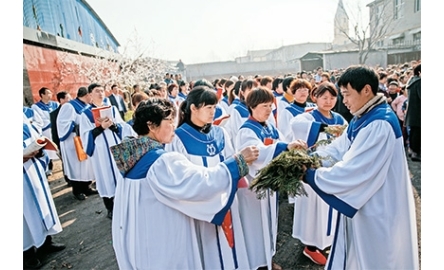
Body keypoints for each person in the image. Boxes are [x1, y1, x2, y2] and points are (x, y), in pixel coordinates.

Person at [110, 98, 259, 269]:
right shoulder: (160, 161)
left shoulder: (131, 154)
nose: (174, 126)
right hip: (162, 241)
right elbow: (201, 183)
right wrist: (237, 162)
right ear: (151, 125)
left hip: (137, 240)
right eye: (169, 122)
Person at [303, 65, 419, 269]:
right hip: (367, 202)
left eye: (346, 94)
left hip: (379, 207)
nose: (343, 101)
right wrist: (311, 157)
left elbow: (354, 171)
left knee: (378, 259)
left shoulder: (379, 123)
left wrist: (311, 174)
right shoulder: (364, 116)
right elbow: (340, 148)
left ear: (366, 90)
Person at [165, 86, 250, 270]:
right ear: (193, 108)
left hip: (227, 201)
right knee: (209, 251)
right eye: (208, 107)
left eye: (214, 106)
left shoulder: (220, 133)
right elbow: (179, 179)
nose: (214, 111)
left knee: (232, 248)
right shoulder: (178, 138)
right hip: (200, 208)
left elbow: (232, 163)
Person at [233, 87, 306, 270]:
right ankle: (257, 263)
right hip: (253, 190)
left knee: (271, 227)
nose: (269, 110)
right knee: (256, 230)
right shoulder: (247, 130)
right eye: (264, 106)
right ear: (252, 106)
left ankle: (268, 258)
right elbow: (258, 155)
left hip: (268, 189)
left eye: (271, 106)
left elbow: (280, 145)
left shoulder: (269, 127)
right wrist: (285, 147)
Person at [289, 82, 348, 266]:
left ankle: (326, 240)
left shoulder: (339, 118)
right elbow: (296, 126)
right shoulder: (308, 116)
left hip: (332, 170)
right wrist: (323, 128)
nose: (328, 101)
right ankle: (310, 246)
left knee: (328, 209)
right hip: (312, 169)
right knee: (312, 208)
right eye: (324, 97)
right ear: (315, 98)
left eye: (332, 97)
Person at [79, 83, 136, 219]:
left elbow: (123, 127)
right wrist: (100, 128)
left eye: (102, 91)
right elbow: (85, 135)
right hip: (101, 152)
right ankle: (110, 208)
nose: (100, 93)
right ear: (90, 95)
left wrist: (113, 126)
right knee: (104, 178)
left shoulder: (113, 109)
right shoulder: (86, 114)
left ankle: (126, 203)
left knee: (121, 175)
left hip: (116, 147)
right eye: (96, 91)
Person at [23, 114, 65, 269]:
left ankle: (45, 242)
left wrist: (38, 148)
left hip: (32, 166)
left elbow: (33, 135)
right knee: (23, 215)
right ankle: (27, 254)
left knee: (40, 203)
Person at [57, 87, 97, 200]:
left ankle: (87, 187)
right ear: (87, 95)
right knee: (76, 167)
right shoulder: (69, 106)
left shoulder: (87, 106)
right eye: (91, 95)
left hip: (84, 139)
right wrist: (77, 125)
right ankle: (77, 190)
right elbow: (62, 123)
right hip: (73, 141)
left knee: (87, 165)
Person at [31, 87, 60, 175]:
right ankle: (49, 168)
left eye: (50, 93)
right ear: (42, 95)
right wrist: (51, 121)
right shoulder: (36, 107)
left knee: (59, 149)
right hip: (46, 131)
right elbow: (40, 119)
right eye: (48, 93)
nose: (50, 95)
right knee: (48, 150)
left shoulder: (56, 104)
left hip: (56, 130)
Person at [50, 91, 73, 187]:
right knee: (65, 161)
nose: (70, 99)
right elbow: (54, 131)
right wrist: (57, 144)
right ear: (61, 100)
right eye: (68, 98)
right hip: (62, 141)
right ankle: (69, 180)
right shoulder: (54, 114)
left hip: (73, 142)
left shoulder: (72, 109)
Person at [404, 64, 421, 162]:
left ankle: (412, 151)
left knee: (414, 133)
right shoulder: (419, 82)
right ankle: (415, 153)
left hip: (413, 111)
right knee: (417, 134)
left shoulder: (412, 81)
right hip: (418, 112)